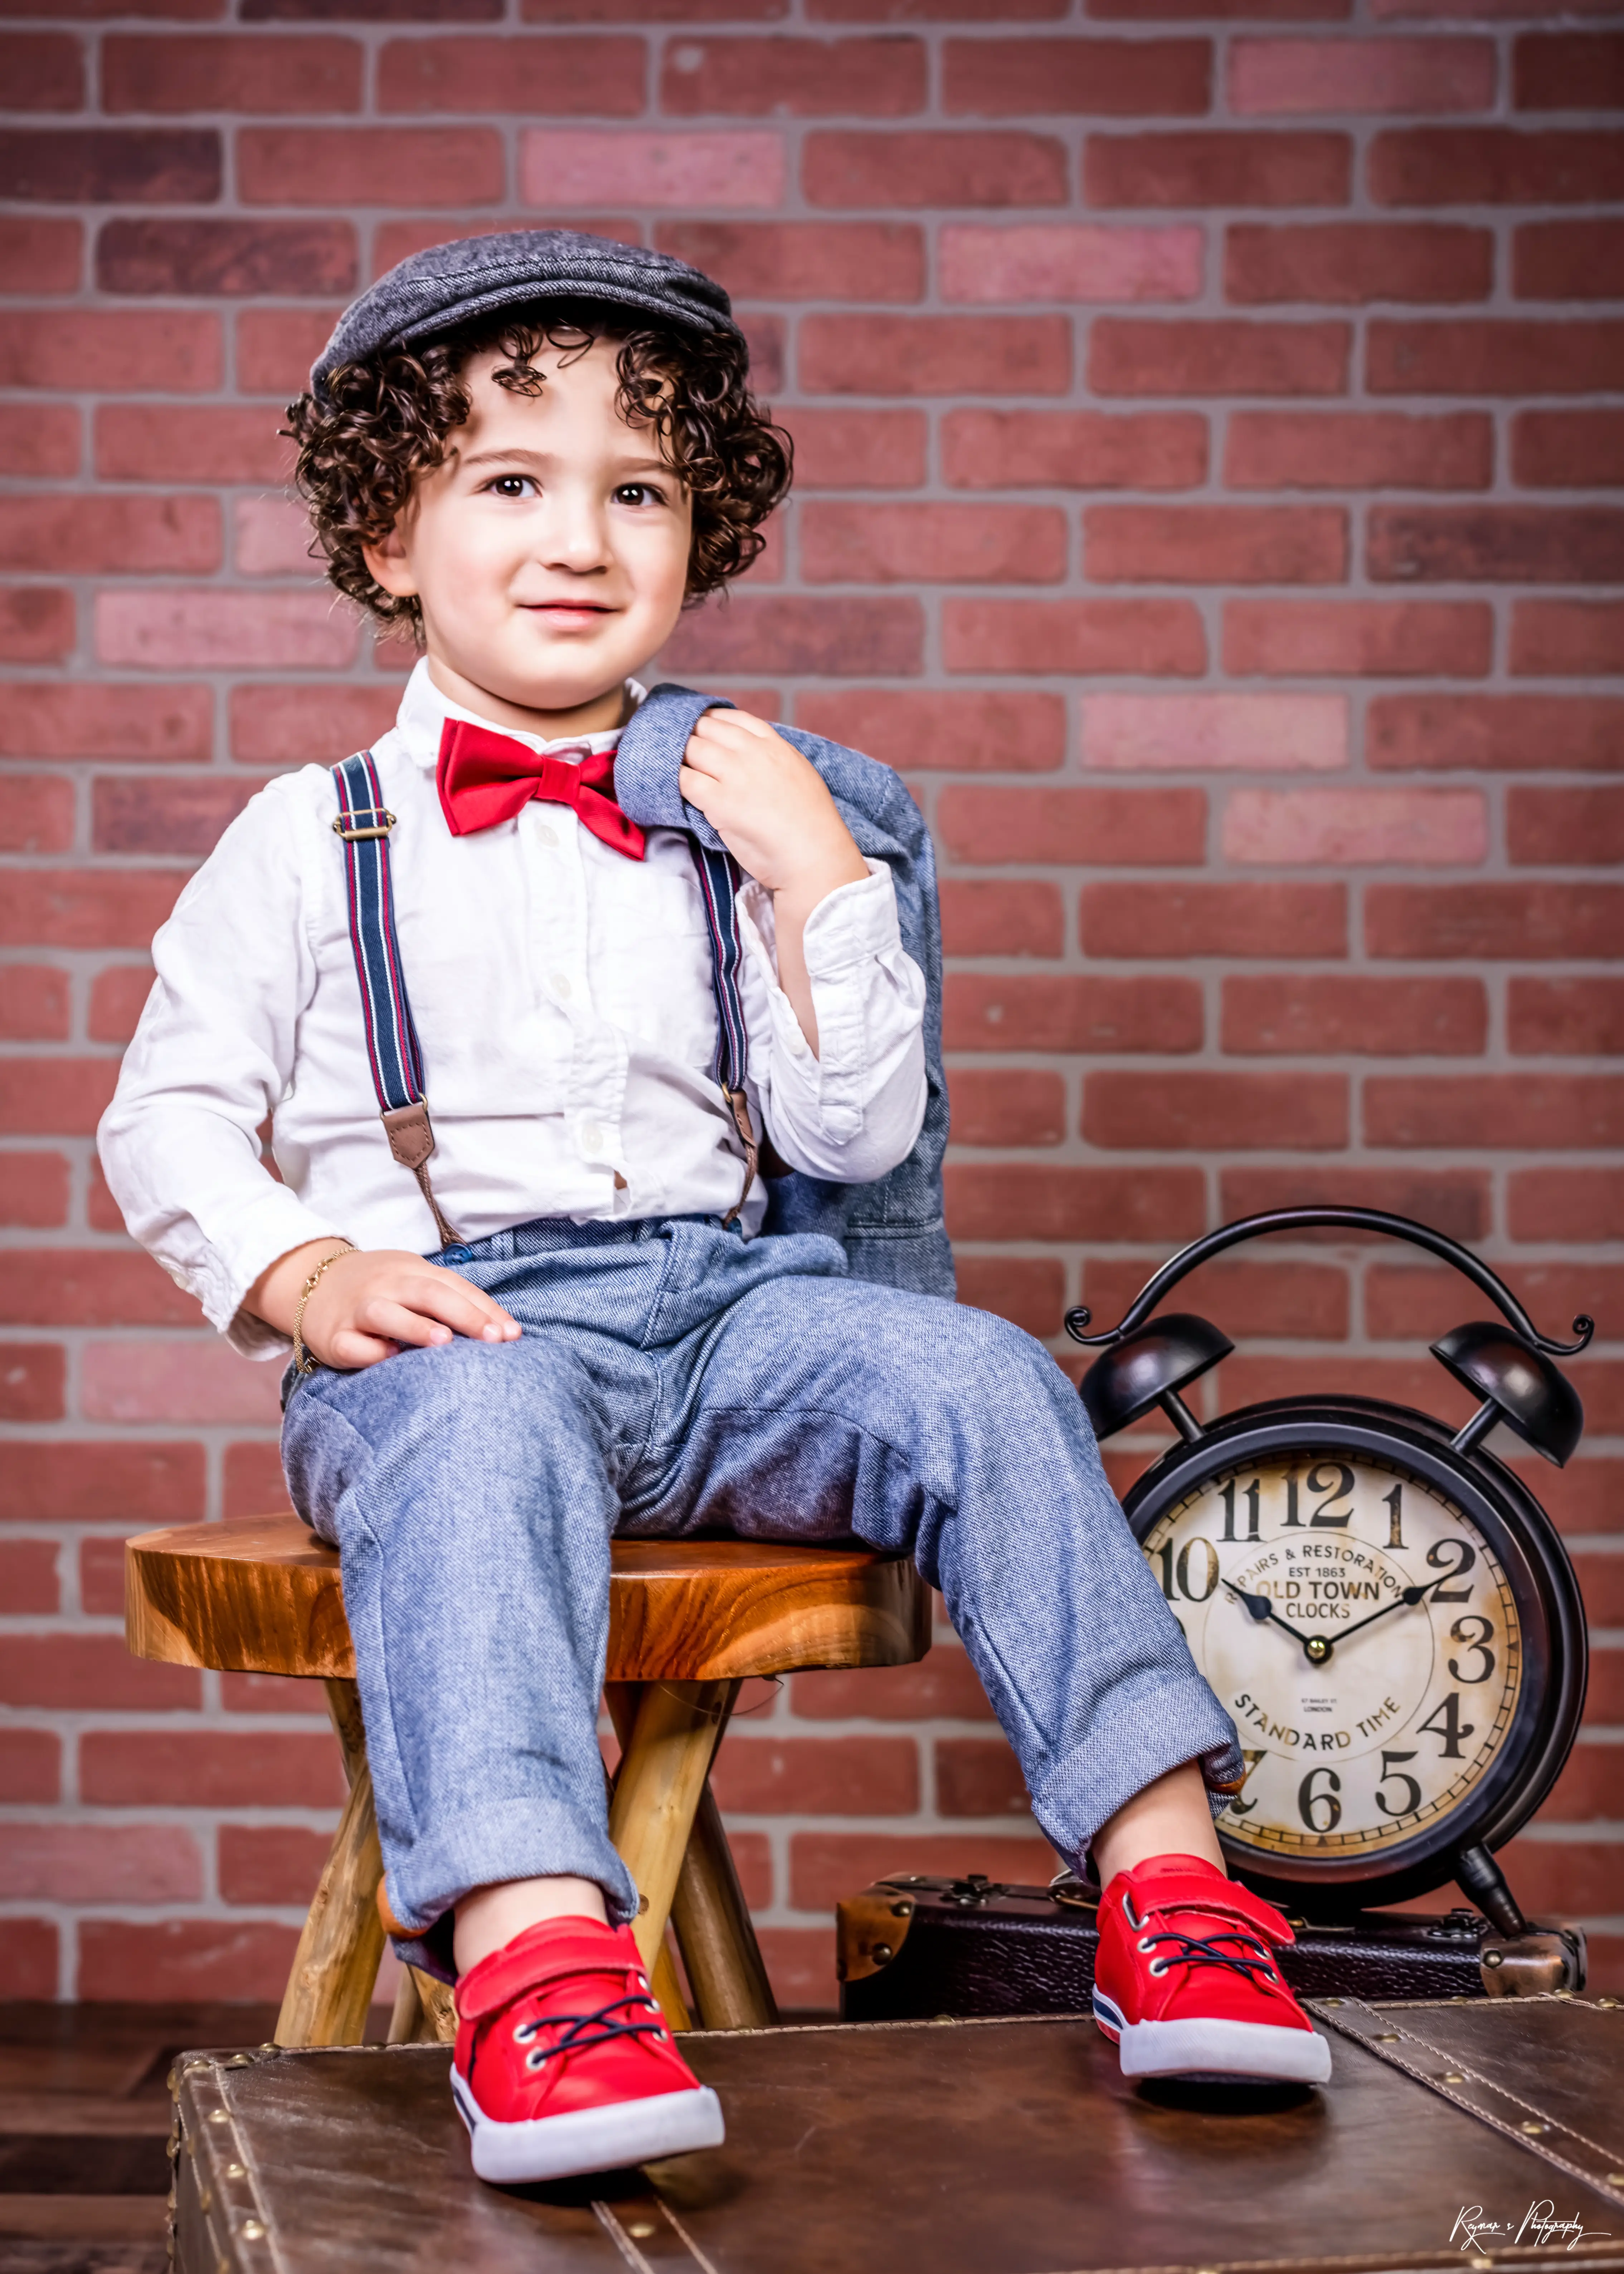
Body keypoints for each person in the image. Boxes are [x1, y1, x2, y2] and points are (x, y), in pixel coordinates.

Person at [100, 232, 1331, 2188]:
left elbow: (846, 1139)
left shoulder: (747, 811)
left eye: (638, 489)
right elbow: (165, 1117)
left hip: (734, 1315)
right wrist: (305, 1267)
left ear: (704, 533)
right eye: (510, 480)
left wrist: (820, 880)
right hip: (461, 1335)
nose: (578, 535)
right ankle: (534, 1975)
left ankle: (1172, 1903)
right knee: (484, 1428)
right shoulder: (310, 832)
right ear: (390, 540)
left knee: (981, 1379)